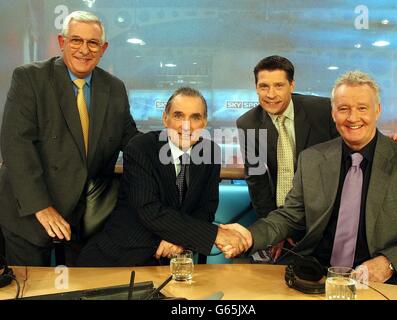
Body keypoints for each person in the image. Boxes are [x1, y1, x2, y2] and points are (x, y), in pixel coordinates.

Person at [222, 70, 397, 288]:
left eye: (362, 108)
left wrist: (389, 263)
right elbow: (290, 215)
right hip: (318, 269)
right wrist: (249, 236)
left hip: (391, 276)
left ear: (378, 110)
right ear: (333, 113)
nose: (353, 117)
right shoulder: (312, 159)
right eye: (344, 109)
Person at [0, 11, 138, 266]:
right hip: (28, 213)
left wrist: (171, 147)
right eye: (76, 40)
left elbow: (132, 142)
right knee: (31, 290)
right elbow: (16, 146)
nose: (84, 50)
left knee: (80, 289)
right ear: (62, 43)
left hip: (83, 217)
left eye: (92, 43)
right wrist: (41, 207)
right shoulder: (30, 78)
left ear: (103, 48)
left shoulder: (114, 88)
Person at [77, 87, 248, 266]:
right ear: (165, 119)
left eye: (195, 117)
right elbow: (149, 210)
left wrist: (179, 240)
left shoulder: (211, 152)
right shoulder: (140, 148)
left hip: (176, 261)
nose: (186, 125)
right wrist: (216, 235)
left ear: (204, 123)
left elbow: (206, 208)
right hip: (121, 256)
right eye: (178, 116)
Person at [236, 55, 338, 259]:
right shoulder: (248, 123)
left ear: (292, 85)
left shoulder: (323, 110)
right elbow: (257, 180)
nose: (271, 94)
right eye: (264, 86)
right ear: (256, 87)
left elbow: (353, 138)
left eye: (279, 86)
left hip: (325, 215)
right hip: (283, 215)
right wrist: (276, 227)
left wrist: (387, 141)